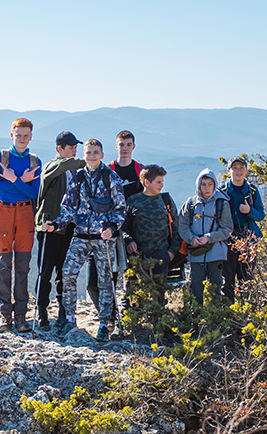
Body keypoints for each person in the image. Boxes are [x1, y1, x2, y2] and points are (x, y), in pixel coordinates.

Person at [55, 139, 128, 341]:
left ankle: (104, 324)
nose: (92, 156)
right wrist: (56, 224)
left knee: (105, 282)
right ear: (83, 155)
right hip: (80, 235)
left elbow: (121, 208)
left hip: (103, 238)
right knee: (68, 274)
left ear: (102, 155)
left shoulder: (111, 177)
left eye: (96, 152)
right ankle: (70, 319)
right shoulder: (78, 178)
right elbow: (68, 207)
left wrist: (112, 228)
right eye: (89, 152)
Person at [0, 117, 42, 332]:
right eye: (18, 135)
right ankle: (5, 315)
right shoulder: (2, 157)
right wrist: (22, 181)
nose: (21, 139)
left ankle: (21, 315)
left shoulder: (35, 161)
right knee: (4, 265)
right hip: (4, 212)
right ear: (12, 135)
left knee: (22, 265)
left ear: (31, 137)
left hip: (25, 214)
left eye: (25, 135)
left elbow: (34, 193)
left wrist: (13, 179)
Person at [33, 130, 85, 331]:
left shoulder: (74, 172)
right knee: (45, 272)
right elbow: (64, 165)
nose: (74, 151)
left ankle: (63, 313)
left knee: (64, 272)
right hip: (49, 226)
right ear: (59, 149)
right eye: (71, 147)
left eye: (76, 147)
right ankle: (42, 313)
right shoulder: (52, 166)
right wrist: (89, 161)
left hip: (68, 227)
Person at [92, 129, 142, 321]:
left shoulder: (139, 170)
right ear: (116, 146)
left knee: (133, 270)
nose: (125, 148)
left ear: (134, 147)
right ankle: (109, 311)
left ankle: (130, 309)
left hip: (133, 226)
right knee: (109, 270)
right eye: (121, 144)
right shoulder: (108, 169)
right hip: (111, 225)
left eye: (128, 145)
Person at [177, 168, 232, 305]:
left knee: (215, 290)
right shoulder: (191, 204)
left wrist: (209, 237)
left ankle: (215, 317)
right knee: (195, 290)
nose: (207, 188)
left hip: (216, 254)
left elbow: (227, 229)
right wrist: (191, 239)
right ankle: (195, 317)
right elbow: (182, 226)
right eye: (203, 184)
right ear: (198, 185)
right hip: (196, 254)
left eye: (210, 184)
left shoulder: (222, 203)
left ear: (215, 185)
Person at [123, 164, 177, 300]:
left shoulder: (166, 200)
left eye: (162, 181)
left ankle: (157, 314)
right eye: (158, 182)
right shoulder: (133, 201)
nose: (162, 185)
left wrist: (171, 252)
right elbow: (124, 226)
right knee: (133, 296)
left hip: (161, 254)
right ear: (147, 183)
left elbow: (177, 226)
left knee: (158, 296)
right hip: (137, 255)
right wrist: (129, 241)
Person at [221, 156, 266, 299]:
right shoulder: (222, 190)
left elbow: (261, 215)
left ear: (246, 170)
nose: (238, 171)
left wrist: (249, 211)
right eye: (235, 168)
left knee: (246, 277)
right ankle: (228, 307)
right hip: (228, 239)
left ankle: (245, 306)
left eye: (241, 168)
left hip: (248, 239)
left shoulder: (252, 190)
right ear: (229, 171)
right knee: (227, 277)